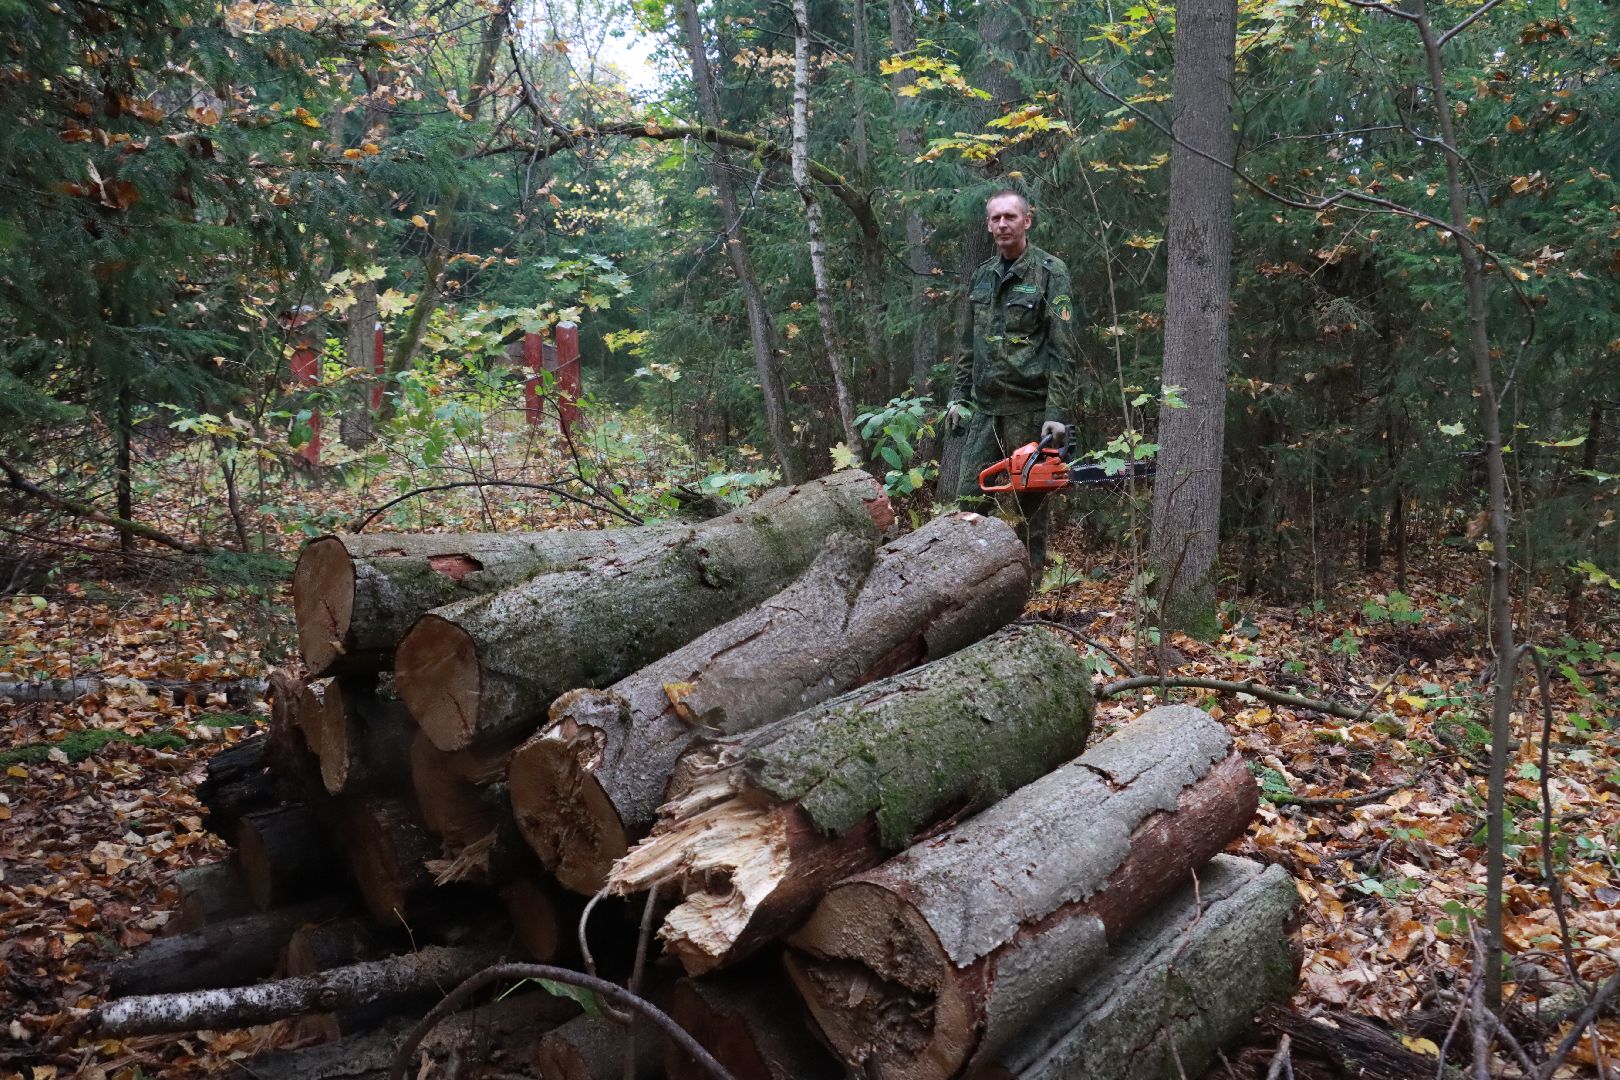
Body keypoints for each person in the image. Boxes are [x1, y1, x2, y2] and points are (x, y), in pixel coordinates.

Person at [945, 189, 1081, 574]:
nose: (1002, 224)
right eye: (995, 219)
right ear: (988, 225)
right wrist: (958, 397)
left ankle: (1027, 590)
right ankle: (963, 584)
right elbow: (968, 345)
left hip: (1030, 409)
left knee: (1028, 514)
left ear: (1027, 220)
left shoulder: (1051, 273)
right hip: (986, 411)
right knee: (969, 504)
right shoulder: (983, 276)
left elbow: (1063, 348)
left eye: (1010, 217)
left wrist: (1055, 414)